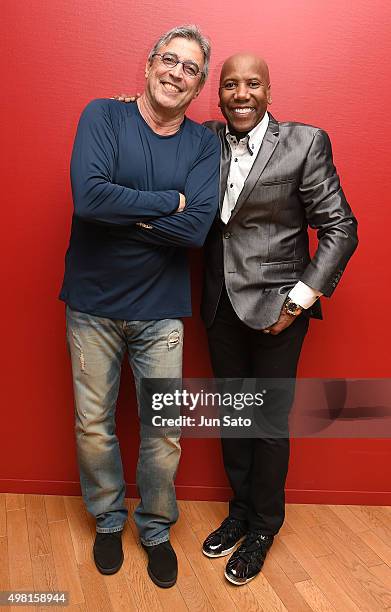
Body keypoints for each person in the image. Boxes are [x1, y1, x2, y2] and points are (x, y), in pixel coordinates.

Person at [60, 25, 220, 587]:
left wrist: (126, 216)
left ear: (198, 84)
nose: (177, 73)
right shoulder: (103, 115)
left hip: (160, 311)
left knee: (164, 430)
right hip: (92, 306)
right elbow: (89, 198)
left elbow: (197, 228)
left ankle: (154, 529)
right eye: (169, 60)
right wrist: (165, 205)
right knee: (93, 424)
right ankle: (108, 520)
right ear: (149, 64)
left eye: (191, 68)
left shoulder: (203, 142)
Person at [200, 53, 358, 585]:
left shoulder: (304, 142)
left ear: (269, 91)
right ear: (217, 94)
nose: (240, 94)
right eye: (229, 85)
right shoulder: (204, 140)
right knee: (234, 417)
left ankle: (264, 526)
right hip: (219, 304)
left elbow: (340, 226)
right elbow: (160, 128)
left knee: (266, 424)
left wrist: (299, 301)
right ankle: (239, 512)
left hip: (277, 312)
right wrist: (135, 105)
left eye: (252, 84)